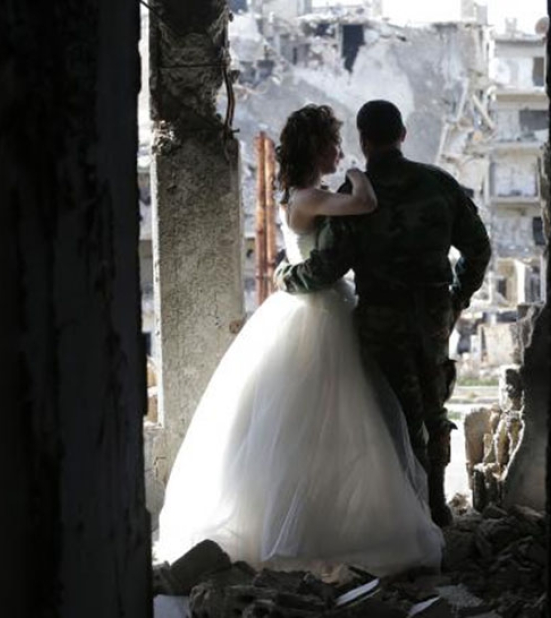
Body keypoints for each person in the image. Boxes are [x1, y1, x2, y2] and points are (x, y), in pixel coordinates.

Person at [156, 104, 443, 580]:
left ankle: (327, 523)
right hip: (316, 315)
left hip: (323, 309)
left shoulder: (306, 194)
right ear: (316, 148)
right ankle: (307, 531)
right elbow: (365, 204)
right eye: (333, 142)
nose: (339, 150)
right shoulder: (308, 197)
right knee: (314, 427)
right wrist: (357, 173)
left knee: (331, 428)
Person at [277, 100, 492, 527]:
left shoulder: (354, 196)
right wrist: (457, 297)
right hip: (432, 314)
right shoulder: (439, 184)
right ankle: (436, 507)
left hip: (380, 317)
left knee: (391, 411)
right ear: (403, 135)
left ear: (363, 139)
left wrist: (286, 278)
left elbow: (327, 267)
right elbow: (478, 249)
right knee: (434, 407)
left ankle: (404, 511)